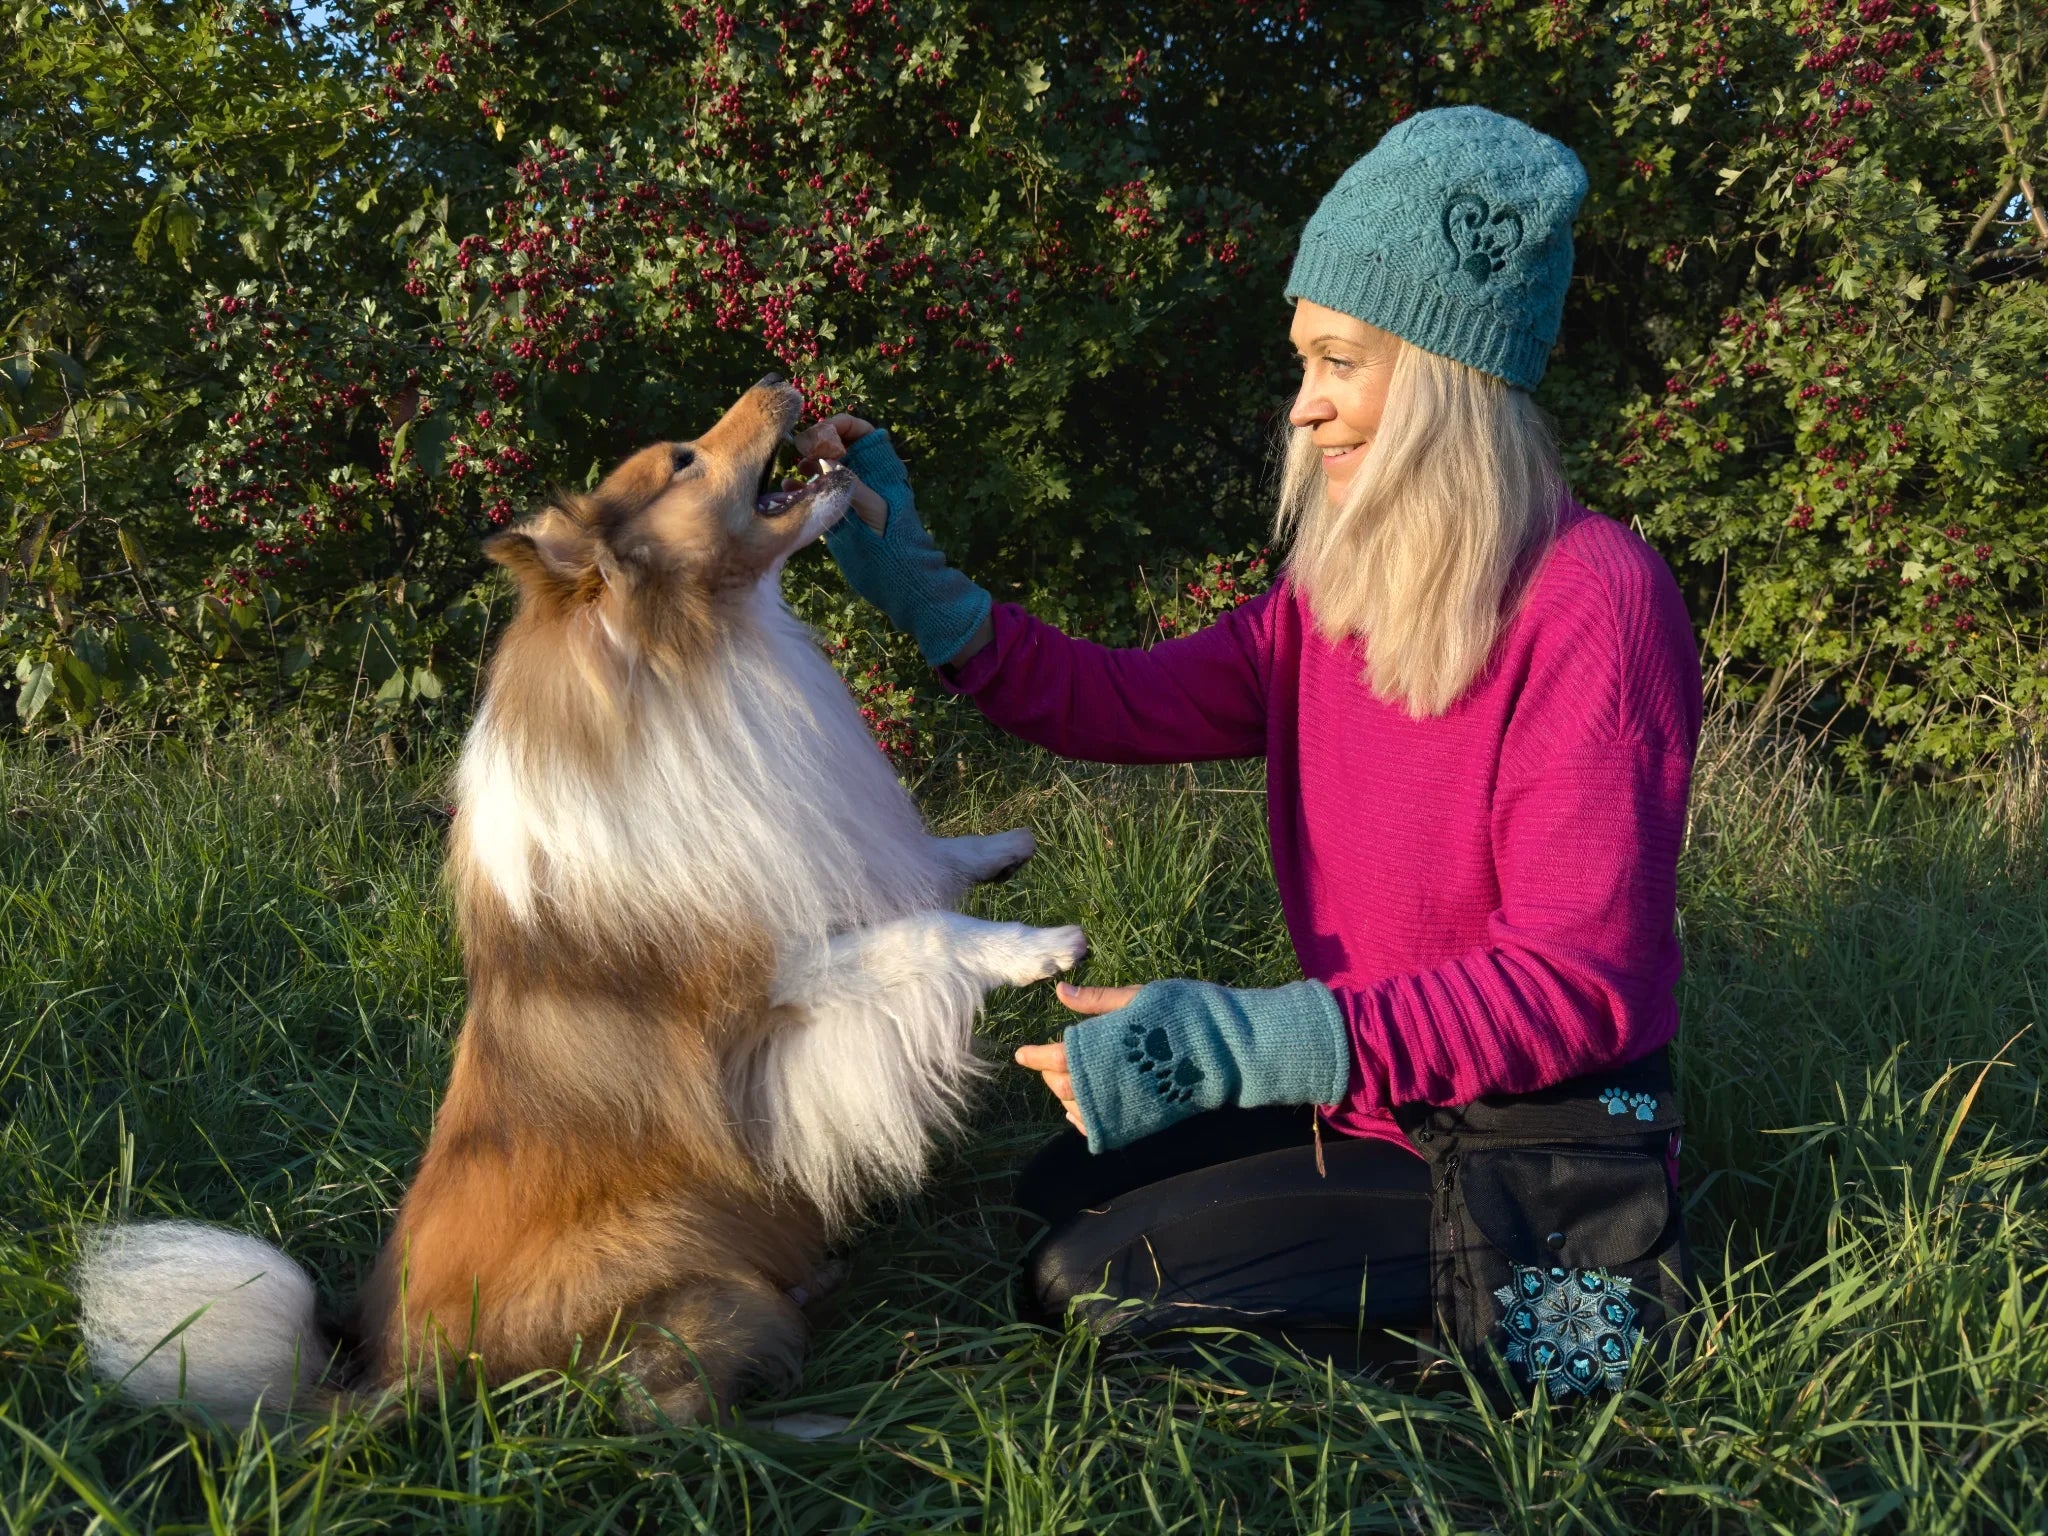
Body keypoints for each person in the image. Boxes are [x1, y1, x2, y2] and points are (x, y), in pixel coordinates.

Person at [796, 106, 1702, 1376]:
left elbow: (1571, 989)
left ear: (1446, 374)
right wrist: (918, 584)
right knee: (1061, 1190)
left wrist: (1238, 1046)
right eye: (1302, 364)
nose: (1304, 409)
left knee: (1087, 1287)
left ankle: (1569, 1314)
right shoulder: (1331, 597)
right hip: (1382, 1095)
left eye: (1339, 362)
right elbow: (1112, 703)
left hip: (1529, 1136)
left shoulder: (1592, 599)